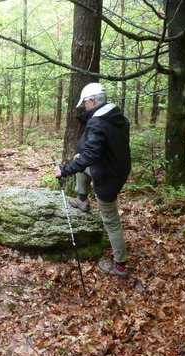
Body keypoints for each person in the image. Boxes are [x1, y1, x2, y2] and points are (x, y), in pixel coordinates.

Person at [54, 82, 131, 279]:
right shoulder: (115, 116)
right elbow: (88, 157)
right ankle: (82, 199)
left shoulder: (98, 121)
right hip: (113, 168)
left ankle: (120, 266)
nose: (84, 107)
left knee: (111, 222)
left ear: (92, 101)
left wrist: (64, 172)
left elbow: (91, 154)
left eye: (85, 103)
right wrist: (73, 165)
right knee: (80, 162)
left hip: (108, 176)